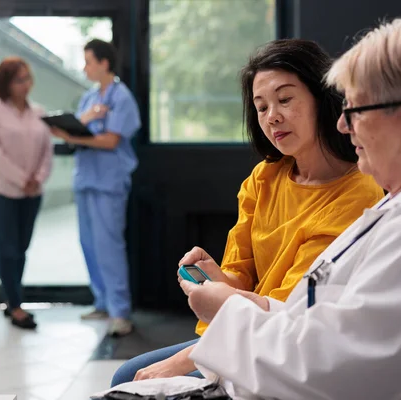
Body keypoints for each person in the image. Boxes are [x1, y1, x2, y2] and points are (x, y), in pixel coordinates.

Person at [168, 14, 401, 400]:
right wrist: (242, 302)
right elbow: (320, 320)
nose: (342, 124)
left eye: (356, 110)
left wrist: (228, 311)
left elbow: (326, 371)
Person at [110, 39, 384, 385]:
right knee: (128, 375)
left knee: (135, 378)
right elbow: (240, 276)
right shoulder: (264, 177)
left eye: (285, 99)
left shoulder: (357, 193)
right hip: (240, 327)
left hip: (286, 344)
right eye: (261, 106)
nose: (273, 117)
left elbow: (290, 313)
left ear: (322, 97)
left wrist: (183, 361)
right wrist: (213, 276)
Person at [50, 39, 141, 336]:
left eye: (88, 61)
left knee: (108, 246)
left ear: (104, 63)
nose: (85, 67)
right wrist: (77, 127)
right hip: (86, 179)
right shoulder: (89, 98)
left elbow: (111, 140)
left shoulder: (122, 97)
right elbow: (74, 131)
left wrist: (76, 136)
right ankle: (102, 301)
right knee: (88, 244)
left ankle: (120, 312)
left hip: (109, 183)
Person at [0, 57, 53, 330]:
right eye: (19, 79)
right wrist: (22, 179)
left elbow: (47, 151)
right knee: (7, 248)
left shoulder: (39, 112)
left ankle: (13, 299)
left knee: (21, 248)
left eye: (28, 78)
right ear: (6, 83)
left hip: (32, 194)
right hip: (3, 190)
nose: (26, 84)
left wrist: (38, 178)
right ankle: (15, 305)